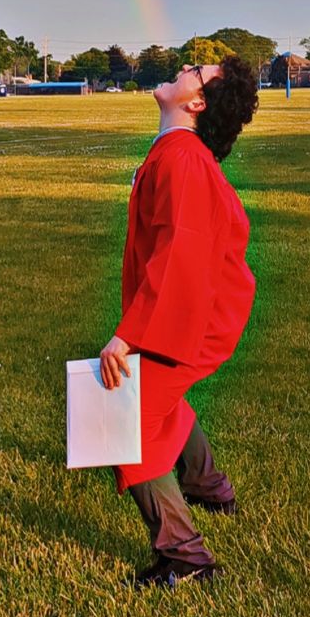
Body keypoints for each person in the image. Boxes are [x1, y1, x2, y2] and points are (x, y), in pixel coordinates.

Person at [99, 57, 259, 588]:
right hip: (195, 305)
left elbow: (180, 258)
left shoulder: (184, 160)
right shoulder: (173, 150)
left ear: (197, 104)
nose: (185, 66)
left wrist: (129, 334)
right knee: (156, 395)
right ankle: (211, 490)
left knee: (126, 418)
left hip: (197, 313)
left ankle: (185, 557)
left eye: (198, 71)